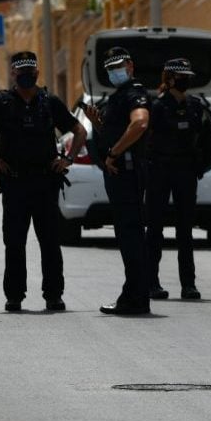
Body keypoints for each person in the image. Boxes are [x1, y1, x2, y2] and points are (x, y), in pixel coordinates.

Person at [0, 51, 87, 312]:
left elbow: (79, 131)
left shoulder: (49, 101)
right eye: (21, 73)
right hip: (15, 184)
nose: (26, 77)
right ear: (13, 74)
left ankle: (53, 295)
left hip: (45, 183)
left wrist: (68, 159)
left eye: (30, 73)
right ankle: (14, 296)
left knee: (50, 242)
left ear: (37, 73)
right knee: (14, 242)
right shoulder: (3, 103)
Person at [84, 46, 152, 315]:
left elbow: (140, 124)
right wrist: (99, 124)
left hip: (128, 172)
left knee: (131, 236)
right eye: (110, 69)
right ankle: (135, 295)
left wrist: (114, 153)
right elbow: (116, 131)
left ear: (131, 66)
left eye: (119, 67)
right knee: (127, 237)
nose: (115, 72)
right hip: (120, 173)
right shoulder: (118, 96)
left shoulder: (134, 93)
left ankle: (135, 298)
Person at [146, 57, 211, 301]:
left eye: (188, 77)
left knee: (185, 230)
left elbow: (209, 140)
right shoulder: (157, 107)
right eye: (181, 77)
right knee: (154, 228)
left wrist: (201, 165)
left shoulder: (196, 106)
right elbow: (147, 140)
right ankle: (151, 282)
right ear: (171, 78)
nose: (186, 81)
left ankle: (189, 284)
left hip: (186, 172)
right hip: (160, 172)